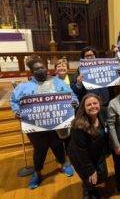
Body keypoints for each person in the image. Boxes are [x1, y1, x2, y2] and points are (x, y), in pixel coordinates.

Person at [10, 55, 78, 189]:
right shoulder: (24, 87)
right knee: (39, 150)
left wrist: (74, 102)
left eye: (42, 68)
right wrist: (17, 111)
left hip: (56, 124)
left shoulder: (58, 82)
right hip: (35, 126)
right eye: (36, 69)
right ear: (32, 72)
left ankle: (64, 164)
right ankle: (37, 172)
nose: (40, 70)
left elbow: (71, 96)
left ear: (46, 69)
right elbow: (14, 101)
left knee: (58, 145)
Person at [68, 93, 109, 199]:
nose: (93, 106)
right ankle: (88, 191)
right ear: (84, 108)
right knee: (89, 177)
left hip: (96, 151)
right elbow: (81, 151)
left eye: (95, 103)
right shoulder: (79, 125)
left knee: (101, 175)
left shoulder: (103, 113)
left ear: (99, 104)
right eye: (89, 105)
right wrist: (91, 170)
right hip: (80, 155)